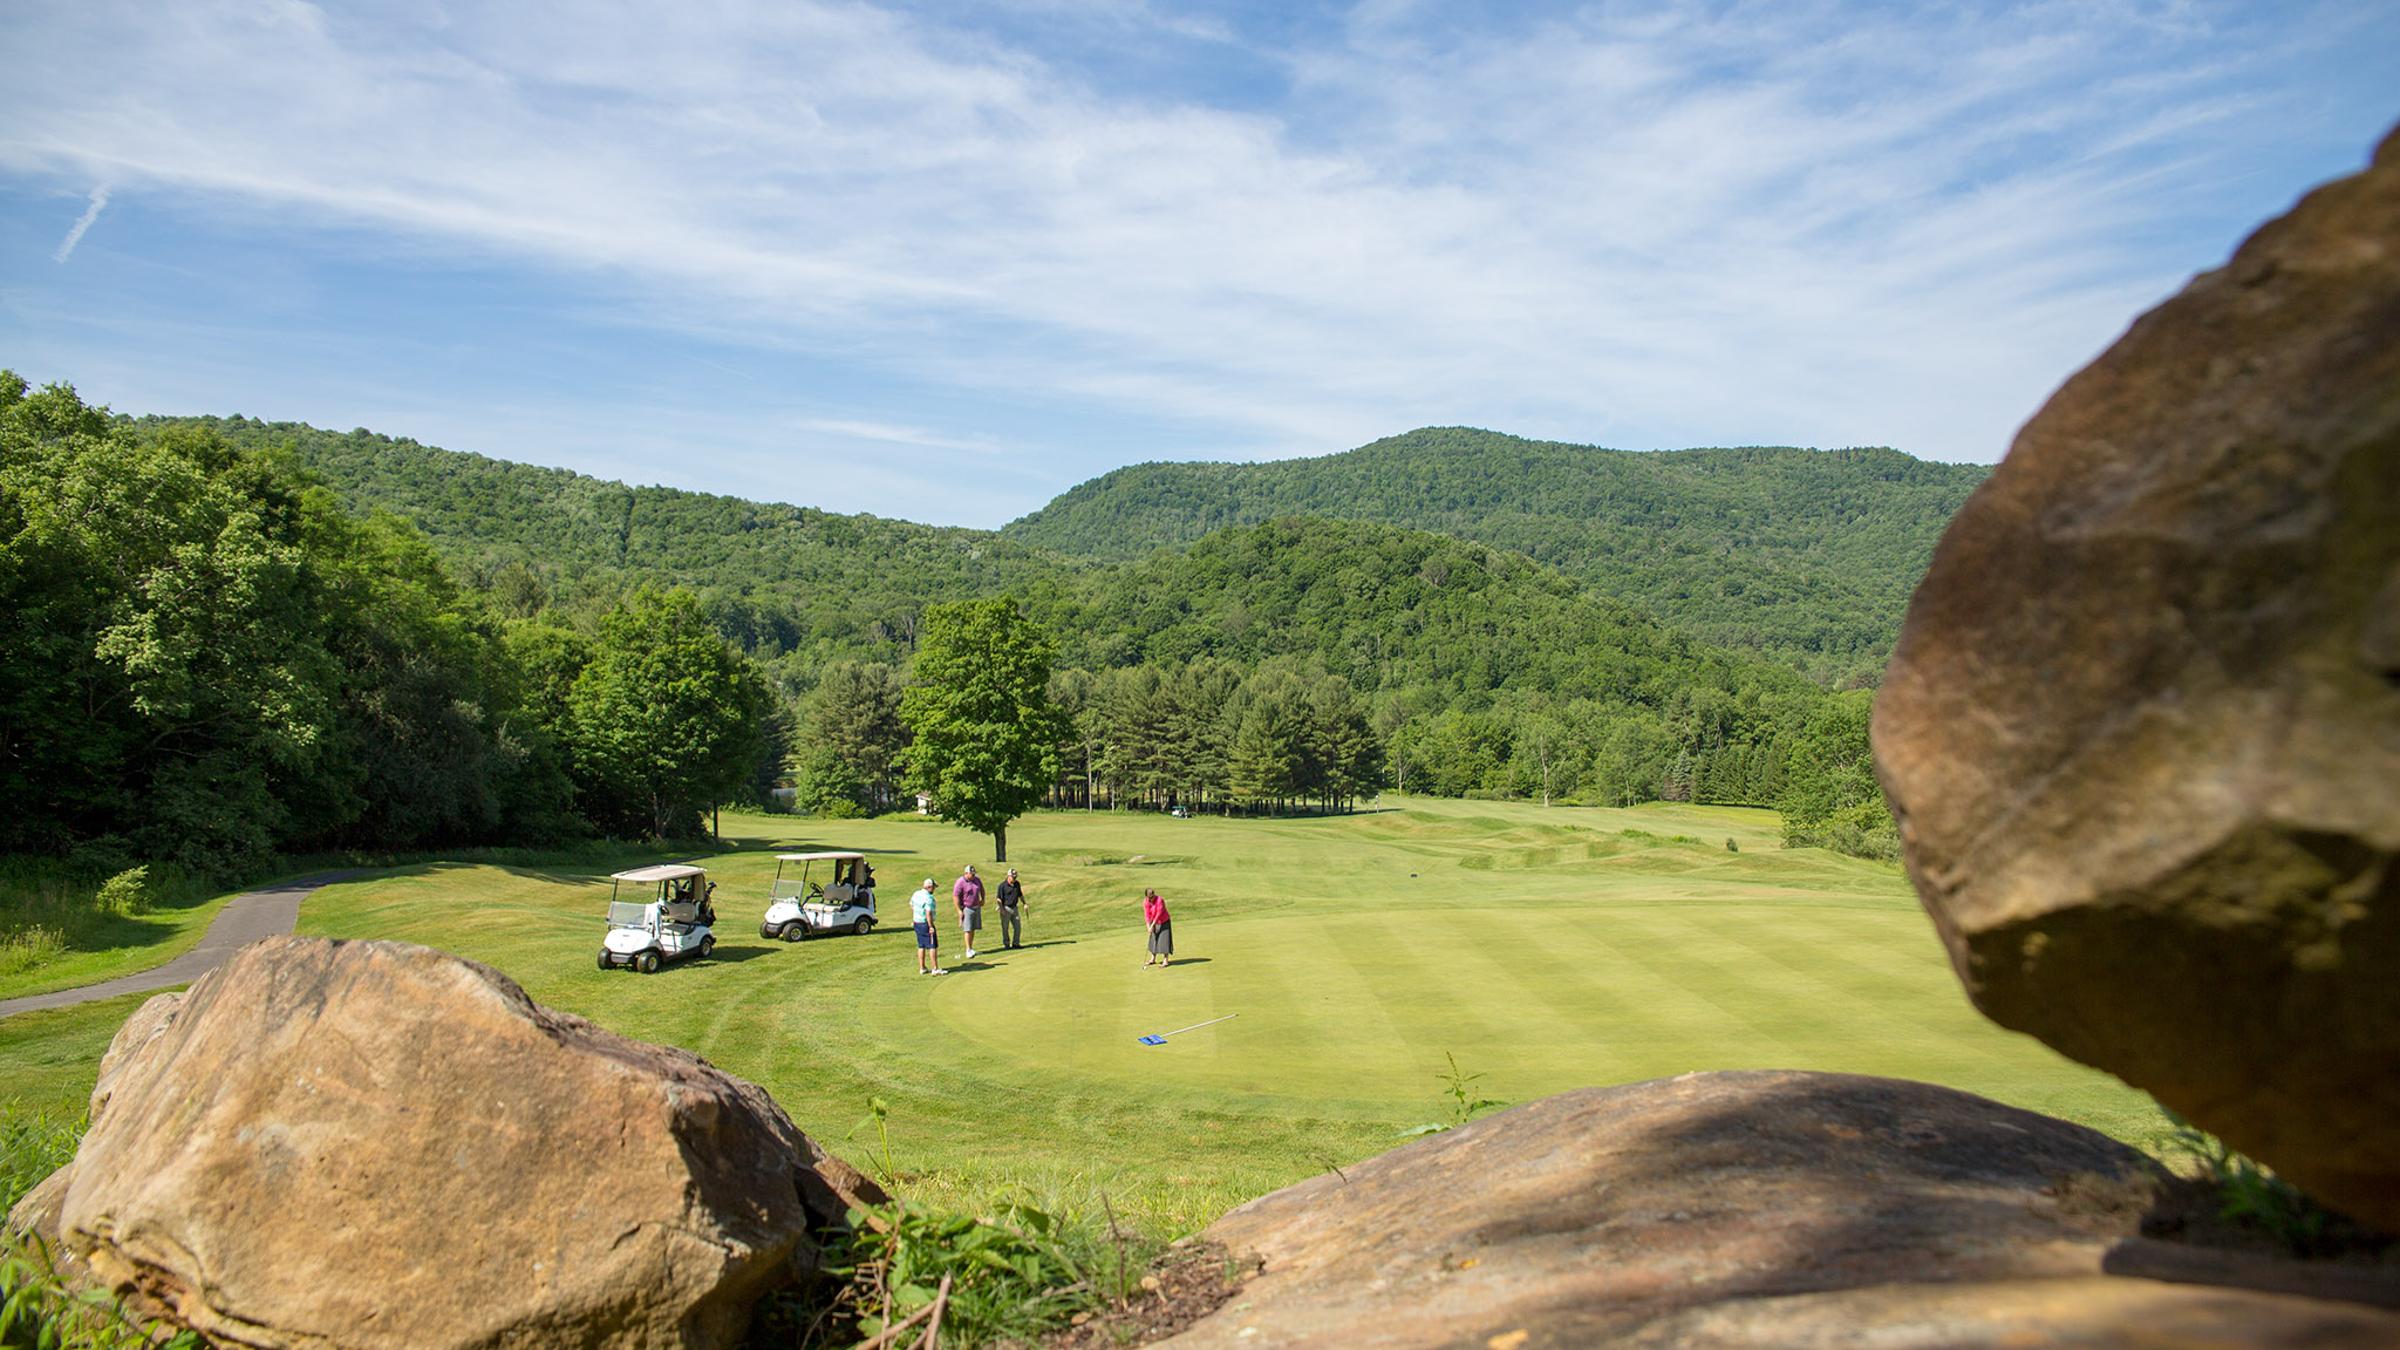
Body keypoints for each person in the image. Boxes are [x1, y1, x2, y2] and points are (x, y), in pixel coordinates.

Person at [910, 878, 946, 975]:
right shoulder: (928, 898)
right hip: (926, 923)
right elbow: (928, 912)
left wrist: (915, 917)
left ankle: (922, 968)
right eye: (933, 887)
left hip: (917, 923)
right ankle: (935, 968)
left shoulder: (916, 894)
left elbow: (912, 905)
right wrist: (931, 926)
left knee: (921, 945)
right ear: (929, 887)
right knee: (932, 945)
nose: (934, 889)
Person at [953, 865, 985, 959]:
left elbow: (982, 890)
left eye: (974, 874)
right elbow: (955, 897)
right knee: (968, 929)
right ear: (966, 873)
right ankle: (968, 950)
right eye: (972, 874)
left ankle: (971, 948)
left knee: (973, 928)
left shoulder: (977, 880)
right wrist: (959, 910)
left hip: (976, 907)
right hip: (967, 908)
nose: (973, 876)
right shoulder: (960, 882)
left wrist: (982, 899)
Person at [996, 868, 1027, 950]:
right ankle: (1006, 944)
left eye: (1015, 877)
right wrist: (1002, 909)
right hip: (1005, 908)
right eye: (1013, 877)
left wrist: (1024, 903)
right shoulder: (1002, 886)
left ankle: (1016, 943)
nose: (1014, 878)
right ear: (1008, 876)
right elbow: (999, 899)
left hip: (1014, 908)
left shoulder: (1017, 884)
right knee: (1005, 928)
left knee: (1018, 927)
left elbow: (1020, 895)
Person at [1142, 887, 1173, 968]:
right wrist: (1148, 926)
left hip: (1164, 921)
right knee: (1153, 939)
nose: (1151, 899)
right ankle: (1152, 959)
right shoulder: (1146, 902)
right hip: (1153, 922)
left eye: (1152, 896)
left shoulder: (1160, 900)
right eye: (1150, 897)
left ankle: (1165, 960)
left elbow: (1158, 914)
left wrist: (1152, 925)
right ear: (1147, 897)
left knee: (1164, 940)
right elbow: (1147, 915)